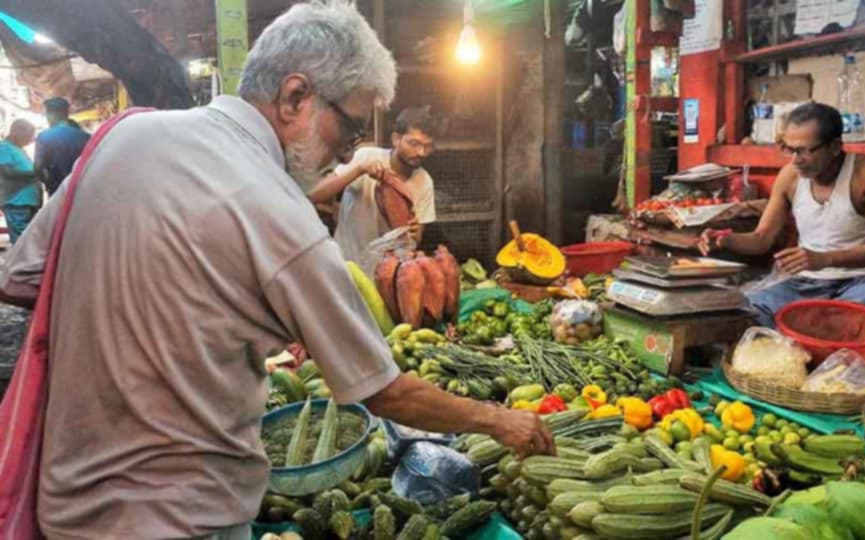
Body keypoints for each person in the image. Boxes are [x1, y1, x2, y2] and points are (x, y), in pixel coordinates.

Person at [0, 3, 552, 539]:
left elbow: (20, 280)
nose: (347, 151)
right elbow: (383, 392)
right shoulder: (282, 216)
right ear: (295, 96)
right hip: (184, 517)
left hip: (65, 501)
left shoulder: (122, 136)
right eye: (351, 128)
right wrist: (501, 421)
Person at [699, 102, 865, 360]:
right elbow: (761, 239)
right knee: (749, 308)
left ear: (834, 146)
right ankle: (805, 362)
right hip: (805, 285)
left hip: (864, 284)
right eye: (789, 149)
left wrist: (824, 259)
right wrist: (726, 240)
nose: (795, 160)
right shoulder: (790, 177)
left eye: (804, 151)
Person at [310, 106, 437, 263]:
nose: (421, 152)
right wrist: (359, 169)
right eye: (414, 143)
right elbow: (314, 195)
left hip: (388, 272)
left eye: (427, 146)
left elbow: (416, 239)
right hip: (348, 263)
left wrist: (413, 231)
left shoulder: (424, 182)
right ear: (396, 139)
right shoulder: (366, 156)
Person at [34, 96, 91, 196]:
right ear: (67, 113)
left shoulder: (44, 137)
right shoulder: (86, 137)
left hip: (57, 191)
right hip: (83, 190)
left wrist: (49, 183)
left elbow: (38, 168)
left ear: (51, 114)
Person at [0, 120, 40, 244]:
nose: (30, 140)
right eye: (28, 136)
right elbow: (7, 172)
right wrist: (35, 173)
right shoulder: (4, 147)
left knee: (29, 240)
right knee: (22, 242)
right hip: (16, 202)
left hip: (28, 202)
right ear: (16, 132)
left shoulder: (19, 149)